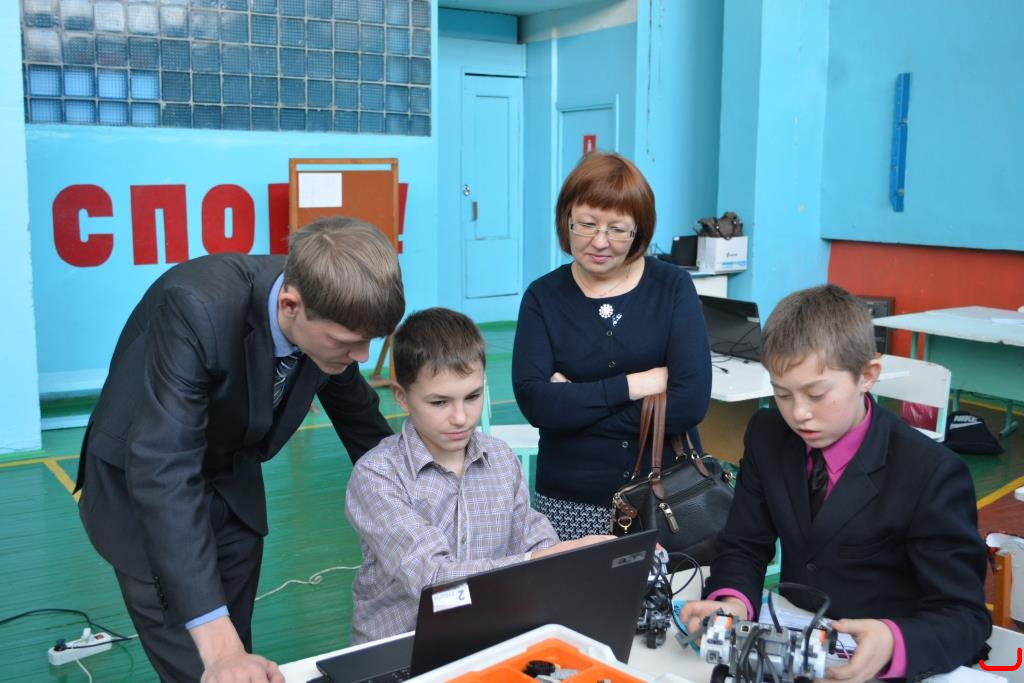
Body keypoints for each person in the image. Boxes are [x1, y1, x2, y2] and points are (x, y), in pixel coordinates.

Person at [75, 217, 405, 683]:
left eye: (369, 341)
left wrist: (425, 499)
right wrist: (219, 646)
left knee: (237, 654)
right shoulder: (197, 307)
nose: (363, 358)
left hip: (231, 477)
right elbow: (166, 467)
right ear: (290, 305)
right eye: (347, 343)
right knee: (201, 660)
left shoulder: (326, 308)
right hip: (144, 489)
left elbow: (362, 423)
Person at [680, 284, 991, 682]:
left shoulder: (931, 472)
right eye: (782, 394)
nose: (799, 414)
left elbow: (964, 617)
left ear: (867, 376)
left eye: (816, 394)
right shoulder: (767, 434)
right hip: (799, 642)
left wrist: (894, 641)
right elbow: (744, 543)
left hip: (894, 664)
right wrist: (732, 602)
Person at [345, 307, 611, 643]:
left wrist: (578, 560)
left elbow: (533, 537)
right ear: (402, 397)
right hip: (401, 649)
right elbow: (434, 581)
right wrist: (544, 559)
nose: (460, 417)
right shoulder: (377, 475)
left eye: (472, 397)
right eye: (440, 402)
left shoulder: (500, 458)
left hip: (490, 634)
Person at [511, 152, 712, 540]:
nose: (599, 242)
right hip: (570, 499)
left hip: (664, 494)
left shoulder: (672, 287)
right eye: (587, 224)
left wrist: (575, 411)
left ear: (639, 231)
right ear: (566, 220)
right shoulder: (543, 297)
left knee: (666, 583)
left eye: (618, 230)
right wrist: (635, 386)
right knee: (574, 583)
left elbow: (690, 403)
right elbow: (536, 403)